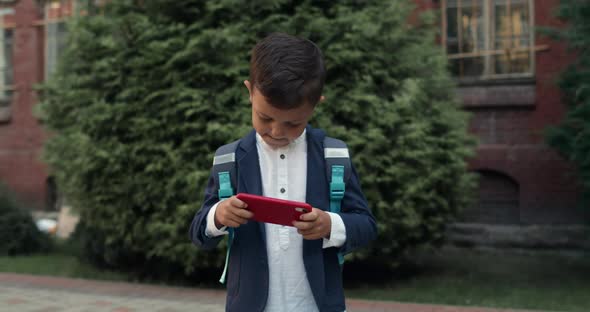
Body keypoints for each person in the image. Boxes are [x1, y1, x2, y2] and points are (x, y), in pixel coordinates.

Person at [189, 32, 377, 312]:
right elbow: (197, 233)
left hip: (317, 305)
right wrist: (218, 215)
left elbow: (366, 226)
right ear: (249, 92)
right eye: (265, 117)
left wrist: (329, 224)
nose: (277, 132)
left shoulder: (332, 158)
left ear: (315, 105)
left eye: (293, 123)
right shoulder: (230, 160)